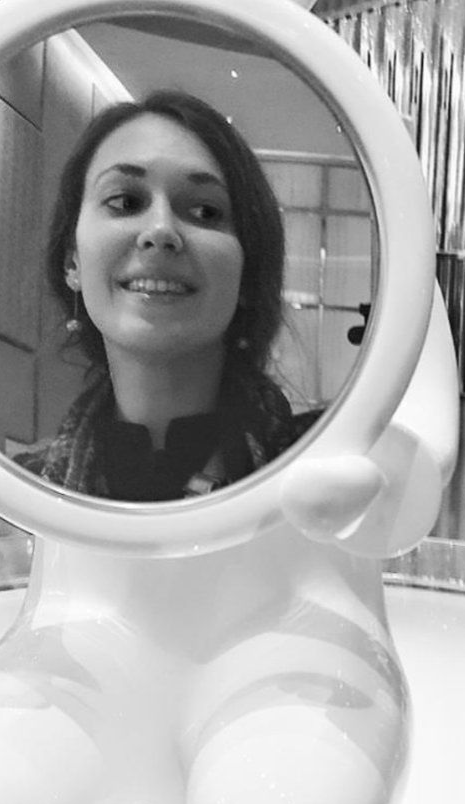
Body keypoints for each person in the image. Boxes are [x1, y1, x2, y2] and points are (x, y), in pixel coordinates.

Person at [20, 89, 318, 501]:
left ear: (248, 270)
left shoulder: (326, 471)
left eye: (205, 211)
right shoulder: (14, 503)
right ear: (72, 260)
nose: (160, 230)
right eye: (125, 201)